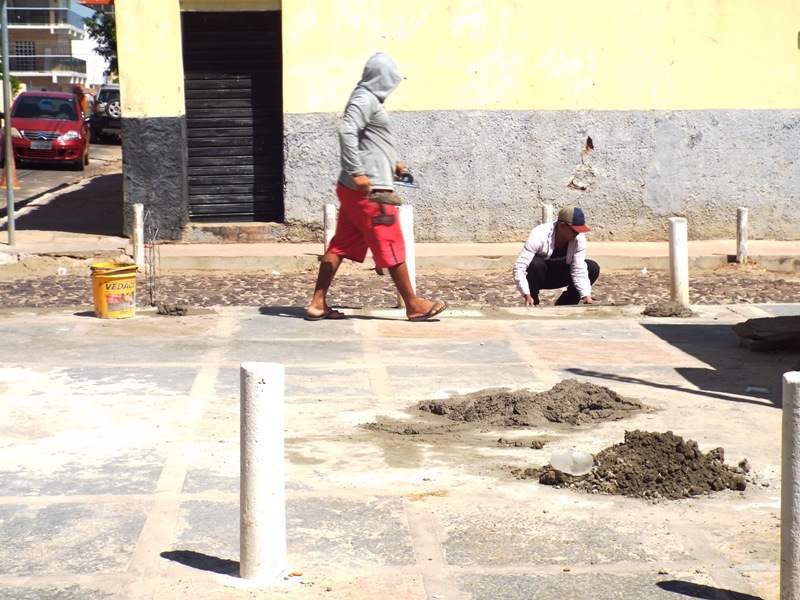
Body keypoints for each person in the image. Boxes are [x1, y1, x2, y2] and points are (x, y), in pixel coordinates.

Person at [305, 53, 448, 322]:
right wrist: (357, 171)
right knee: (391, 241)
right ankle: (414, 305)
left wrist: (392, 162)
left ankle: (317, 303)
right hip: (370, 190)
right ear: (382, 78)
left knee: (340, 246)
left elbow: (371, 138)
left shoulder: (369, 99)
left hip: (359, 188)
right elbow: (346, 131)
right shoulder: (364, 98)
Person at [512, 205, 600, 306]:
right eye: (574, 230)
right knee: (535, 264)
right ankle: (533, 302)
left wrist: (586, 296)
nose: (577, 234)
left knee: (592, 268)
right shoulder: (539, 234)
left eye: (579, 231)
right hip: (541, 276)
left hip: (561, 274)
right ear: (562, 226)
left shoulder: (579, 239)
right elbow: (520, 267)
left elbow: (578, 269)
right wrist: (526, 294)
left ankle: (566, 303)